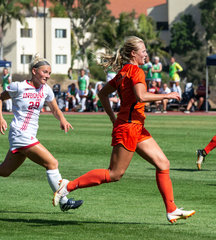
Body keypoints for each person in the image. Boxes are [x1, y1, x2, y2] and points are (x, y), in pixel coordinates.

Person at [52, 36, 195, 223]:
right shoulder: (135, 71)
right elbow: (141, 96)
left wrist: (113, 117)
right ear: (133, 54)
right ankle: (68, 186)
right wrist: (166, 95)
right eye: (143, 51)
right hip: (129, 127)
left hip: (135, 126)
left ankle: (171, 209)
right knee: (114, 174)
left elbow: (102, 94)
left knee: (163, 164)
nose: (146, 54)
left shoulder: (124, 72)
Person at [0, 54, 83, 211]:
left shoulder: (46, 90)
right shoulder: (18, 86)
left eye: (49, 73)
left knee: (4, 171)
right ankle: (64, 201)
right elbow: (0, 98)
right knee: (52, 163)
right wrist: (1, 118)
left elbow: (55, 108)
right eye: (45, 72)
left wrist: (62, 120)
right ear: (34, 71)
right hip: (20, 134)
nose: (48, 76)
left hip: (28, 135)